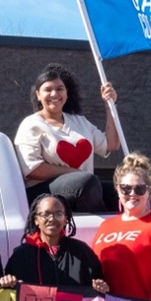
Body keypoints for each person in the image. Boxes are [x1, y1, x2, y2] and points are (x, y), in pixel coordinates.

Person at [14, 63, 120, 213]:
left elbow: (111, 144)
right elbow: (32, 169)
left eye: (59, 89)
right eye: (48, 90)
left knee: (120, 191)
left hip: (83, 185)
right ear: (38, 94)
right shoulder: (31, 124)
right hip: (42, 192)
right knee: (86, 182)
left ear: (67, 92)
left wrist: (110, 106)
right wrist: (73, 173)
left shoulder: (80, 122)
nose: (54, 94)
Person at [92, 153, 151, 300]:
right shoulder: (105, 226)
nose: (132, 194)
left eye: (139, 189)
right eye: (126, 188)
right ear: (117, 190)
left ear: (148, 191)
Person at [0, 193, 109, 297]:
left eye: (58, 214)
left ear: (66, 219)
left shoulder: (81, 251)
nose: (52, 219)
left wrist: (101, 288)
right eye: (45, 214)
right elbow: (10, 293)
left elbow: (98, 287)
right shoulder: (21, 255)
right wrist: (7, 284)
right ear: (36, 220)